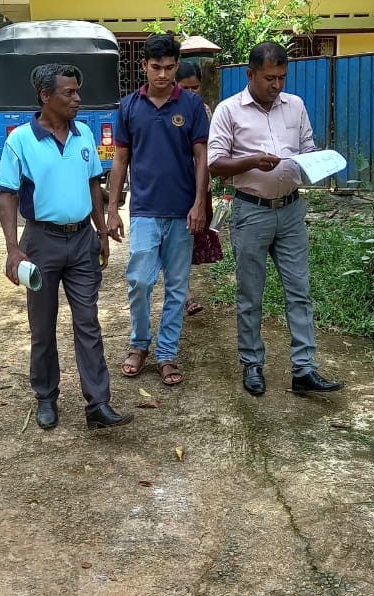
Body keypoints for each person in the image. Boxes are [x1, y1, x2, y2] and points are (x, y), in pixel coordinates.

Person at [0, 63, 133, 432]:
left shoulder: (84, 133)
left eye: (77, 91)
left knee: (88, 322)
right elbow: (6, 194)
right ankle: (46, 397)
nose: (78, 98)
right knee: (42, 326)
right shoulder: (20, 140)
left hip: (82, 243)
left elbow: (93, 185)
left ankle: (98, 404)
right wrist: (13, 249)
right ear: (45, 97)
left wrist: (101, 231)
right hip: (40, 243)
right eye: (69, 93)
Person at [208, 40, 343, 396]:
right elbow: (216, 163)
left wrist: (317, 162)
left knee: (299, 291)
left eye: (282, 77)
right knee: (250, 293)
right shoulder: (228, 111)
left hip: (291, 210)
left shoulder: (295, 106)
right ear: (250, 74)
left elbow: (308, 149)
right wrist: (253, 161)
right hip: (251, 211)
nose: (277, 85)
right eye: (269, 78)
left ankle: (304, 369)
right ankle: (252, 364)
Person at [107, 33, 209, 387]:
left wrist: (199, 203)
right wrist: (111, 207)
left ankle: (166, 353)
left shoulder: (192, 107)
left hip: (183, 212)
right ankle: (139, 343)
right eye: (156, 67)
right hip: (144, 210)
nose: (163, 75)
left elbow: (201, 157)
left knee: (178, 287)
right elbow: (121, 158)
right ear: (143, 66)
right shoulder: (129, 107)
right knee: (139, 279)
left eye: (169, 67)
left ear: (176, 66)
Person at [175, 59, 223, 316]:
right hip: (175, 184)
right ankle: (185, 294)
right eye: (186, 87)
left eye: (195, 88)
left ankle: (181, 288)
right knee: (176, 237)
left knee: (190, 238)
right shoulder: (168, 109)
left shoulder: (204, 110)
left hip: (199, 182)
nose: (191, 92)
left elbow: (212, 149)